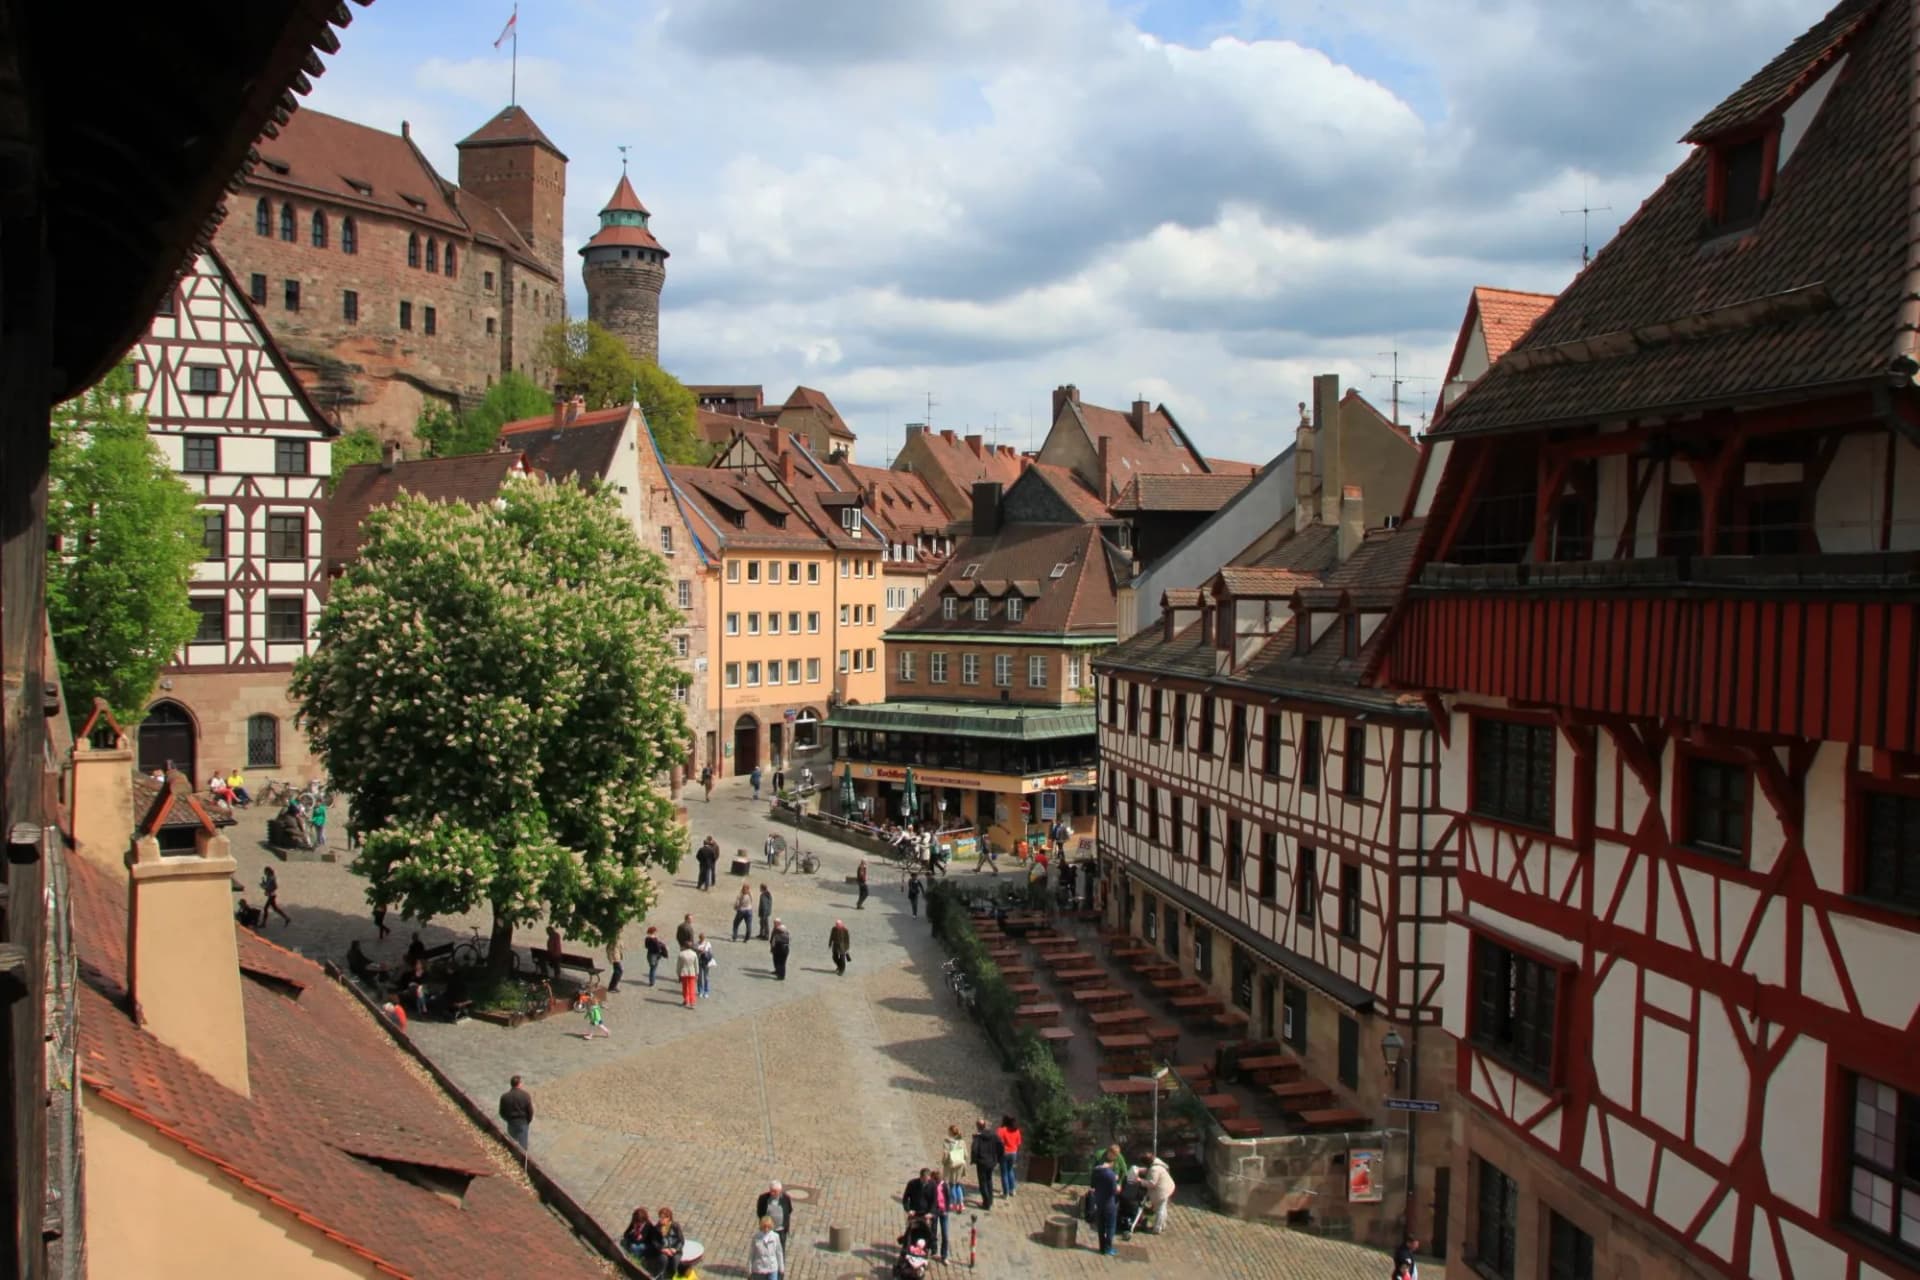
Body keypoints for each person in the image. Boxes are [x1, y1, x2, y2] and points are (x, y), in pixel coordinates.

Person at [1090, 1150, 1120, 1256]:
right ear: (1112, 1163)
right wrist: (1117, 1184)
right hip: (1109, 1203)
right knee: (1110, 1226)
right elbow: (1114, 1190)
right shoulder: (1111, 1175)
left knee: (1101, 1225)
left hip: (1099, 1201)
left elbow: (1092, 1185)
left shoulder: (1096, 1171)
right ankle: (1108, 1248)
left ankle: (1102, 1247)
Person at [1138, 1152, 1176, 1234]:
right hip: (1167, 1186)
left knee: (1160, 1210)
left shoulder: (1154, 1169)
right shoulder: (1157, 1162)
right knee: (1163, 1208)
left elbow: (1152, 1183)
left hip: (1162, 1191)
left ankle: (1157, 1228)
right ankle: (1163, 1225)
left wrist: (1140, 1181)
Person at [970, 1119, 1003, 1211]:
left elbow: (974, 1150)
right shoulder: (993, 1135)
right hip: (991, 1162)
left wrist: (974, 1160)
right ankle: (990, 1200)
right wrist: (998, 1157)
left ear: (978, 1126)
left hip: (982, 1163)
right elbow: (1001, 1145)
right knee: (989, 1180)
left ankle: (986, 1203)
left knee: (982, 1183)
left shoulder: (978, 1137)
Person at [755, 1180, 795, 1255]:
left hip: (781, 1230)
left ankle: (780, 1265)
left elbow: (789, 1210)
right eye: (771, 1191)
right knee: (767, 1249)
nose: (772, 1193)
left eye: (775, 1191)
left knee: (780, 1250)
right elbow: (760, 1212)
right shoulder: (763, 1198)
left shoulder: (786, 1198)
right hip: (767, 1230)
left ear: (780, 1191)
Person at [499, 1075, 534, 1148]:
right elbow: (530, 1111)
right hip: (522, 1123)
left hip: (511, 1122)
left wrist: (508, 1119)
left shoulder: (505, 1097)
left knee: (512, 1144)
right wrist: (527, 1121)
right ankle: (523, 1159)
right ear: (519, 1084)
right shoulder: (525, 1095)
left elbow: (501, 1112)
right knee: (523, 1147)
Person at [748, 1214, 785, 1280]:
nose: (766, 1229)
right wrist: (749, 1269)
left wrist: (781, 1268)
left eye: (768, 1226)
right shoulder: (756, 1237)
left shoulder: (775, 1236)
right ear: (761, 1226)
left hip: (772, 1267)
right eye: (764, 1226)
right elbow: (752, 1254)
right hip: (759, 1268)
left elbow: (779, 1253)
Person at [941, 1125, 969, 1212]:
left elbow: (945, 1156)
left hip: (951, 1166)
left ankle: (954, 1204)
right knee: (958, 1184)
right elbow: (966, 1155)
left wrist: (944, 1162)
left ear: (950, 1132)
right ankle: (961, 1203)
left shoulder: (947, 1142)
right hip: (960, 1166)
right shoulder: (962, 1142)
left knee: (952, 1185)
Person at [996, 1115, 1022, 1199]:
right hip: (1013, 1153)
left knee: (1004, 1173)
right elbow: (1018, 1143)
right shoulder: (1016, 1131)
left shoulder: (1001, 1130)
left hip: (1004, 1153)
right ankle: (1012, 1189)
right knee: (1010, 1170)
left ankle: (1005, 1193)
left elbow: (997, 1142)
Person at [655, 1207, 685, 1276]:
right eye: (660, 1217)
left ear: (668, 1218)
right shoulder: (657, 1228)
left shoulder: (675, 1226)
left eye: (663, 1218)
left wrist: (675, 1249)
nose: (661, 1219)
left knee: (675, 1263)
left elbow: (681, 1240)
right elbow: (655, 1241)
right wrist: (663, 1249)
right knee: (663, 1260)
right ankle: (661, 1275)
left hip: (675, 1250)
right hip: (664, 1250)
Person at [677, 940, 700, 1008]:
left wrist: (678, 973)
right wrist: (697, 973)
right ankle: (692, 1002)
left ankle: (686, 1000)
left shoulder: (681, 954)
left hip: (684, 972)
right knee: (692, 988)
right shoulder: (694, 954)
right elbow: (696, 965)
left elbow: (679, 965)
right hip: (692, 972)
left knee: (685, 987)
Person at [695, 933, 715, 998]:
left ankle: (706, 991)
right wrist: (698, 951)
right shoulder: (696, 944)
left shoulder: (708, 944)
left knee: (706, 977)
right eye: (701, 938)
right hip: (699, 962)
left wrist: (705, 952)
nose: (702, 940)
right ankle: (700, 991)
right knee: (699, 978)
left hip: (706, 962)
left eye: (702, 938)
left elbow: (711, 954)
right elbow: (695, 954)